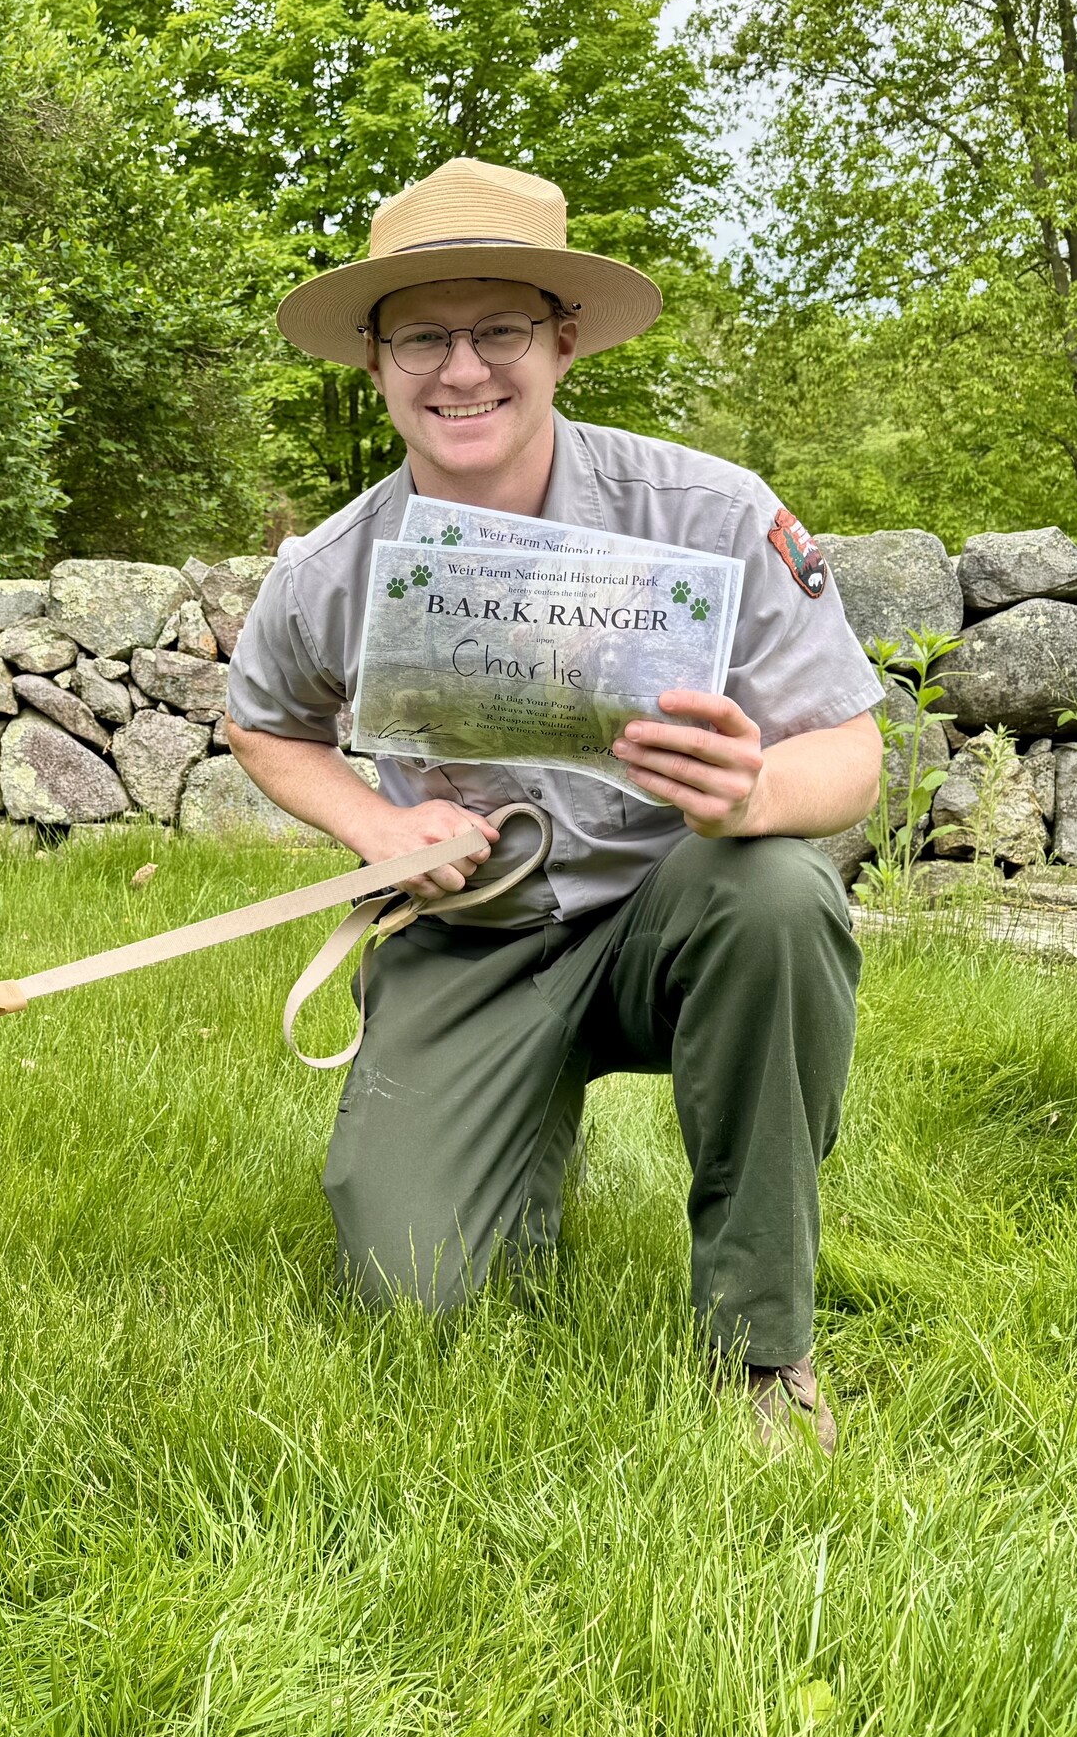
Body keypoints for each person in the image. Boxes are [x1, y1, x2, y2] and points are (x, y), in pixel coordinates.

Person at [225, 158, 884, 1455]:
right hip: (469, 930)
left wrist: (754, 790)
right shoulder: (333, 564)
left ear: (563, 341)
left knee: (780, 894)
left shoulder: (710, 512)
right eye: (421, 334)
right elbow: (265, 721)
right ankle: (513, 1128)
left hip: (668, 914)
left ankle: (763, 1352)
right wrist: (375, 826)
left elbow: (853, 755)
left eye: (499, 330)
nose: (460, 368)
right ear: (374, 358)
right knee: (422, 1304)